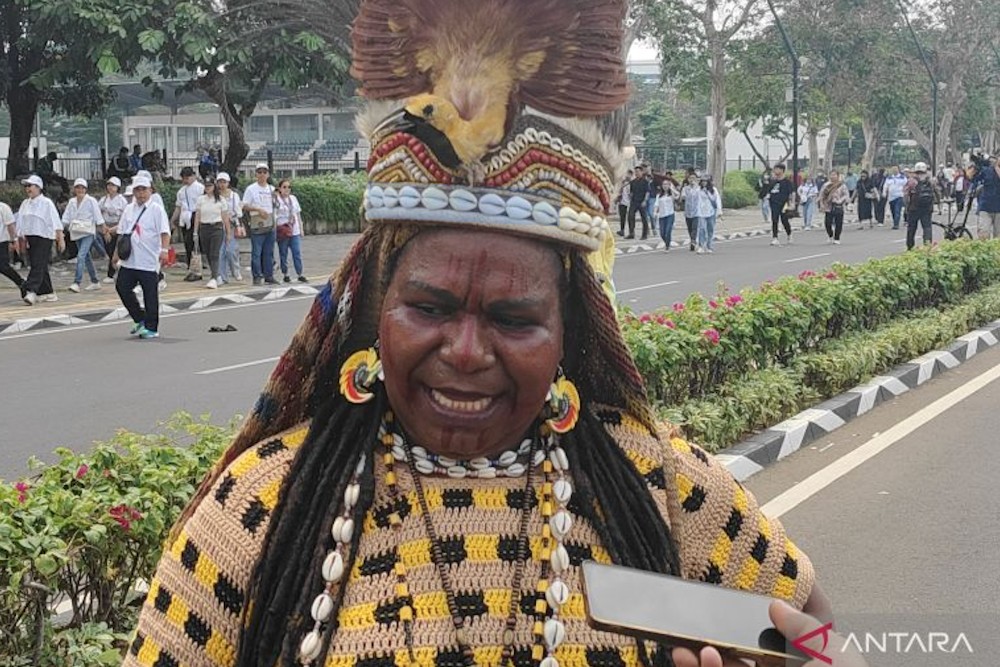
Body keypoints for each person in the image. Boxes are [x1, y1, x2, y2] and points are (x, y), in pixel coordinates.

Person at [122, 6, 834, 664]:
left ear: (568, 329)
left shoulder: (658, 491)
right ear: (377, 309)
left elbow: (822, 645)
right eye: (429, 308)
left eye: (512, 318)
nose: (465, 351)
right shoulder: (261, 508)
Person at [113, 175, 170, 339]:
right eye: (137, 190)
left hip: (148, 259)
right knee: (122, 287)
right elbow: (122, 233)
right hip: (130, 259)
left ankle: (152, 327)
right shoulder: (129, 209)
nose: (141, 193)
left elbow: (164, 232)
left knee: (149, 294)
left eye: (144, 189)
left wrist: (164, 250)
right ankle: (139, 318)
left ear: (150, 190)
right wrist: (116, 254)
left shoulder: (156, 209)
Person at [16, 175, 64, 305]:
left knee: (38, 264)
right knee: (39, 264)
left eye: (30, 186)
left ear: (38, 187)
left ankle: (31, 290)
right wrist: (20, 239)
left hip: (44, 237)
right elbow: (20, 222)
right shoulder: (25, 204)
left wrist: (60, 238)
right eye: (26, 186)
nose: (28, 189)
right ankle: (47, 292)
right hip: (31, 237)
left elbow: (55, 221)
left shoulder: (46, 203)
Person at [63, 178, 105, 293]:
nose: (80, 190)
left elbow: (97, 215)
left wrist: (102, 227)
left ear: (86, 189)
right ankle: (95, 281)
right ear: (74, 189)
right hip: (76, 231)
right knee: (86, 257)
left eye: (82, 188)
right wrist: (60, 229)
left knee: (81, 256)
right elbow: (66, 216)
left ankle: (77, 282)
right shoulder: (71, 202)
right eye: (78, 187)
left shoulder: (91, 201)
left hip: (88, 231)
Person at [193, 177, 231, 289]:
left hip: (217, 228)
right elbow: (198, 216)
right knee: (208, 253)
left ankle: (213, 277)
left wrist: (228, 233)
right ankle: (216, 274)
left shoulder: (220, 200)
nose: (208, 188)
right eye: (206, 186)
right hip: (204, 228)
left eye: (210, 186)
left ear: (214, 187)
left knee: (215, 253)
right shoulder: (201, 199)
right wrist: (195, 231)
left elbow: (225, 218)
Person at [243, 163, 278, 285]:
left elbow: (277, 205)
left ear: (268, 174)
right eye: (259, 172)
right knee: (257, 252)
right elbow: (245, 205)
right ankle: (257, 276)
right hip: (257, 222)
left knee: (269, 252)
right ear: (256, 174)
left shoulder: (272, 189)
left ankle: (269, 275)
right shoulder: (251, 189)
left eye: (264, 172)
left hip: (270, 222)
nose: (262, 174)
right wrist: (258, 209)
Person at [171, 166, 205, 275]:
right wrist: (172, 220)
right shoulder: (181, 191)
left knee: (196, 240)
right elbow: (178, 206)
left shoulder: (200, 188)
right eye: (184, 178)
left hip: (196, 214)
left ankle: (199, 261)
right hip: (185, 216)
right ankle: (191, 263)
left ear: (193, 176)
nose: (186, 180)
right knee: (187, 241)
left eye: (188, 177)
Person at [274, 178, 308, 282]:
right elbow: (274, 216)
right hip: (283, 229)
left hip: (294, 229)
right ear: (279, 188)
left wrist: (301, 229)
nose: (287, 189)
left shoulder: (293, 198)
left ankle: (300, 273)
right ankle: (286, 274)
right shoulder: (277, 199)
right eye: (284, 187)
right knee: (283, 253)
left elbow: (298, 214)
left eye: (289, 187)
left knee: (296, 252)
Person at [99, 177, 128, 283]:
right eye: (109, 185)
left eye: (113, 186)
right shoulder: (103, 200)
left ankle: (112, 273)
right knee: (109, 250)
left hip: (117, 227)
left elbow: (124, 217)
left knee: (116, 250)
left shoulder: (122, 200)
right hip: (106, 227)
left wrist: (113, 229)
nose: (110, 188)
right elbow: (99, 214)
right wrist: (105, 228)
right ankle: (113, 271)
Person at [216, 172, 244, 283]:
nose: (222, 184)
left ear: (228, 183)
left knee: (231, 251)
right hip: (218, 225)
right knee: (220, 252)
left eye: (224, 182)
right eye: (220, 182)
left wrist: (238, 223)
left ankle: (235, 270)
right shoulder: (215, 195)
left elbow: (238, 212)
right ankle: (222, 276)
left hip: (231, 225)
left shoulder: (234, 195)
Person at [904, 162, 938, 249]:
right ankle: (927, 246)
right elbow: (936, 192)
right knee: (927, 228)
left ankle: (910, 247)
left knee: (911, 229)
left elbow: (906, 196)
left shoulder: (911, 182)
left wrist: (906, 207)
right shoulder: (931, 181)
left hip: (913, 208)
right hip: (927, 209)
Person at [0, 200, 25, 294]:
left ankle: (21, 282)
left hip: (1, 241)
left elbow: (10, 225)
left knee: (3, 267)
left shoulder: (3, 207)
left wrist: (14, 240)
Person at [972, 155, 1000, 239]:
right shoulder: (987, 170)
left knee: (998, 238)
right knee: (984, 234)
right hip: (985, 207)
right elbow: (974, 179)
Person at [818, 169, 850, 244]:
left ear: (838, 176)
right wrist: (822, 204)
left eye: (834, 175)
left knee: (838, 223)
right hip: (828, 206)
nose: (832, 176)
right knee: (827, 223)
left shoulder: (842, 185)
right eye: (831, 175)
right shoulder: (826, 185)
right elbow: (821, 195)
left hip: (838, 205)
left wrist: (841, 200)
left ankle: (837, 238)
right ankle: (830, 235)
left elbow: (846, 195)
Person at [767, 163, 794, 246]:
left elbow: (791, 193)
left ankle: (789, 234)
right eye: (775, 169)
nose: (775, 171)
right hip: (774, 203)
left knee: (784, 220)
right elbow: (767, 190)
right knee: (774, 219)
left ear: (782, 170)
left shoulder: (787, 181)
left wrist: (792, 203)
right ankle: (775, 238)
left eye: (777, 169)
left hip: (784, 203)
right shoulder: (772, 181)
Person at [696, 177, 721, 254]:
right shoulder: (698, 190)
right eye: (702, 181)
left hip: (711, 211)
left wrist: (719, 211)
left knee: (710, 229)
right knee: (702, 228)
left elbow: (716, 200)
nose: (704, 183)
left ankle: (709, 246)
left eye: (705, 181)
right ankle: (701, 246)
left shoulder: (713, 190)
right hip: (701, 212)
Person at [625, 165, 650, 239]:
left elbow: (647, 192)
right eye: (636, 172)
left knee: (644, 218)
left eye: (638, 172)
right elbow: (631, 192)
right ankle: (631, 233)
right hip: (634, 201)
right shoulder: (633, 182)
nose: (637, 173)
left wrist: (645, 201)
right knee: (630, 216)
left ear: (642, 172)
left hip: (642, 201)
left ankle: (644, 234)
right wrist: (630, 195)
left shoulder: (645, 181)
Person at [652, 180, 676, 252]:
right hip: (662, 215)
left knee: (668, 231)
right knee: (662, 233)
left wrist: (672, 189)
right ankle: (667, 242)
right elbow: (656, 204)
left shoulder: (671, 194)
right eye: (664, 184)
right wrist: (655, 212)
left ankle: (667, 246)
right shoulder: (659, 195)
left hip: (670, 214)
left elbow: (677, 196)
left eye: (667, 184)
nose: (665, 186)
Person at [681, 171, 702, 251]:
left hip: (697, 211)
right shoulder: (685, 188)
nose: (691, 180)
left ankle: (693, 241)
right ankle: (692, 240)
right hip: (688, 211)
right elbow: (683, 197)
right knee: (689, 228)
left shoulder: (699, 189)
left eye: (693, 178)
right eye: (690, 178)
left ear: (697, 179)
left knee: (694, 227)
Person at [881, 165, 907, 229]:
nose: (894, 170)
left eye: (896, 169)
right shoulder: (889, 178)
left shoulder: (902, 178)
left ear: (898, 170)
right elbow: (885, 186)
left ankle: (896, 224)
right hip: (891, 197)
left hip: (899, 196)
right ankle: (895, 221)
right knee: (893, 211)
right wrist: (884, 193)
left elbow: (906, 185)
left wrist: (905, 193)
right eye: (893, 169)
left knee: (897, 210)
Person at [615, 170, 632, 236]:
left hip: (629, 202)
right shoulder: (622, 182)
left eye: (629, 174)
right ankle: (622, 230)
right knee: (622, 217)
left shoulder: (632, 183)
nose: (627, 175)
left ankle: (631, 231)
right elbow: (618, 191)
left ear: (631, 175)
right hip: (622, 202)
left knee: (630, 217)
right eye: (626, 174)